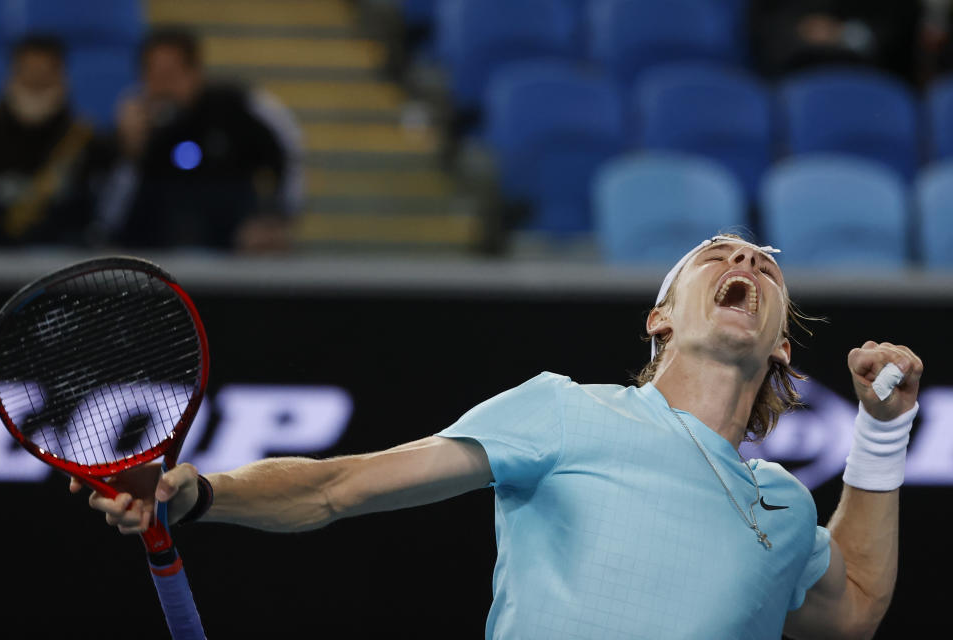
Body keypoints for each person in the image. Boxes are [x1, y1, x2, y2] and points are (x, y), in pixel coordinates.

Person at [77, 234, 922, 638]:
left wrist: (883, 432)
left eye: (767, 265)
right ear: (660, 318)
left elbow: (853, 608)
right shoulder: (565, 411)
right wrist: (202, 492)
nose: (747, 264)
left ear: (780, 342)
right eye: (719, 256)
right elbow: (339, 487)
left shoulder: (777, 503)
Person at [97, 27, 303, 252]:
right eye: (152, 77)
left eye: (170, 76)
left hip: (234, 259)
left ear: (195, 73)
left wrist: (275, 218)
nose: (161, 88)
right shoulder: (131, 123)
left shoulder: (236, 108)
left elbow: (287, 154)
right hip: (154, 262)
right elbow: (107, 222)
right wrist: (128, 154)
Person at [0, 35, 112, 246]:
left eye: (44, 76)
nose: (36, 85)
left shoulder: (86, 141)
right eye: (29, 76)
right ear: (12, 76)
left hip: (65, 264)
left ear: (61, 77)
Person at [748, 0, 922, 84]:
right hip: (792, 71)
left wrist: (845, 33)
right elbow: (766, 23)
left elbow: (899, 24)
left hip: (871, 74)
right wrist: (803, 32)